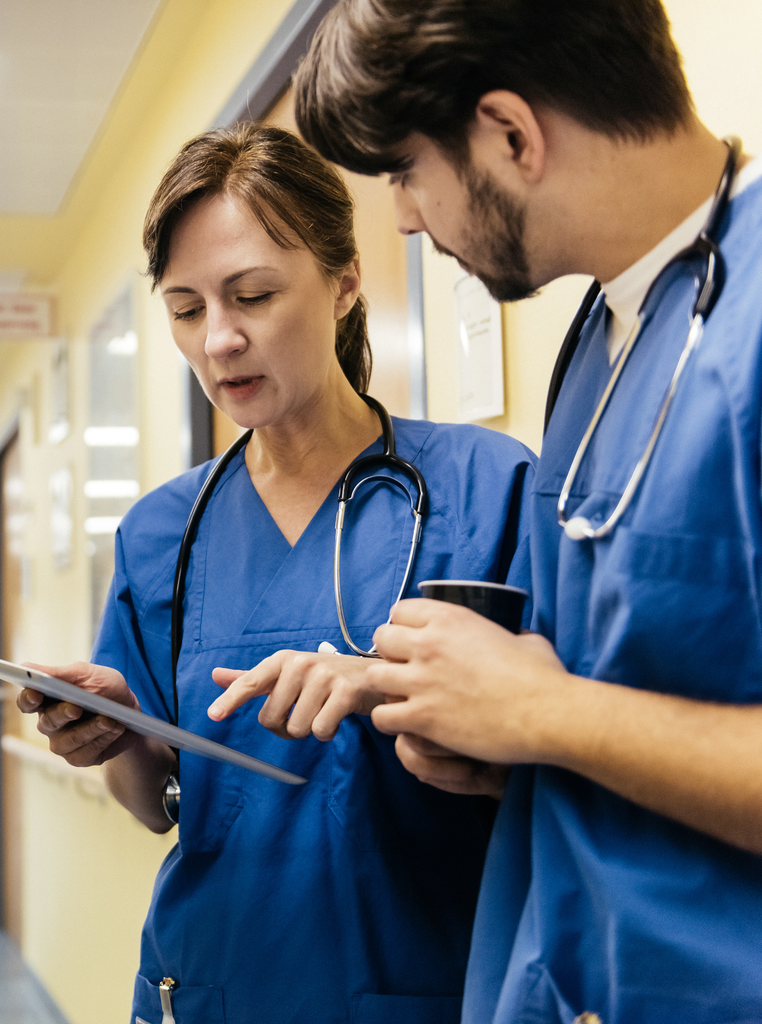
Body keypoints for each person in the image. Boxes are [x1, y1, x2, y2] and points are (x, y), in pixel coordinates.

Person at [293, 2, 762, 1021]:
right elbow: (633, 702)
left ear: (511, 134)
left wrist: (544, 712)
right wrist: (493, 732)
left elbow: (576, 705)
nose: (408, 217)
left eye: (407, 171)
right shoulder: (601, 337)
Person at [15, 122, 537, 1023]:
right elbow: (159, 807)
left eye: (251, 295)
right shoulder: (161, 533)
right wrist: (123, 736)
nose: (219, 339)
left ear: (343, 285)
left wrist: (385, 688)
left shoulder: (488, 489)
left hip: (425, 986)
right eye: (185, 309)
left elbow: (557, 754)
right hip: (207, 987)